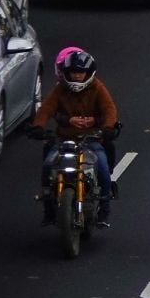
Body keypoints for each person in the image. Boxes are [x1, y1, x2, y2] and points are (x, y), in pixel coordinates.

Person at [32, 47, 120, 226]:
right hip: (64, 141)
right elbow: (46, 109)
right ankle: (49, 209)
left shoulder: (98, 87)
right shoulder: (60, 89)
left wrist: (105, 126)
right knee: (48, 166)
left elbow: (109, 110)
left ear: (88, 73)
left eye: (81, 73)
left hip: (91, 141)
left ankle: (104, 208)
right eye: (74, 73)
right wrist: (38, 127)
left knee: (103, 168)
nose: (77, 76)